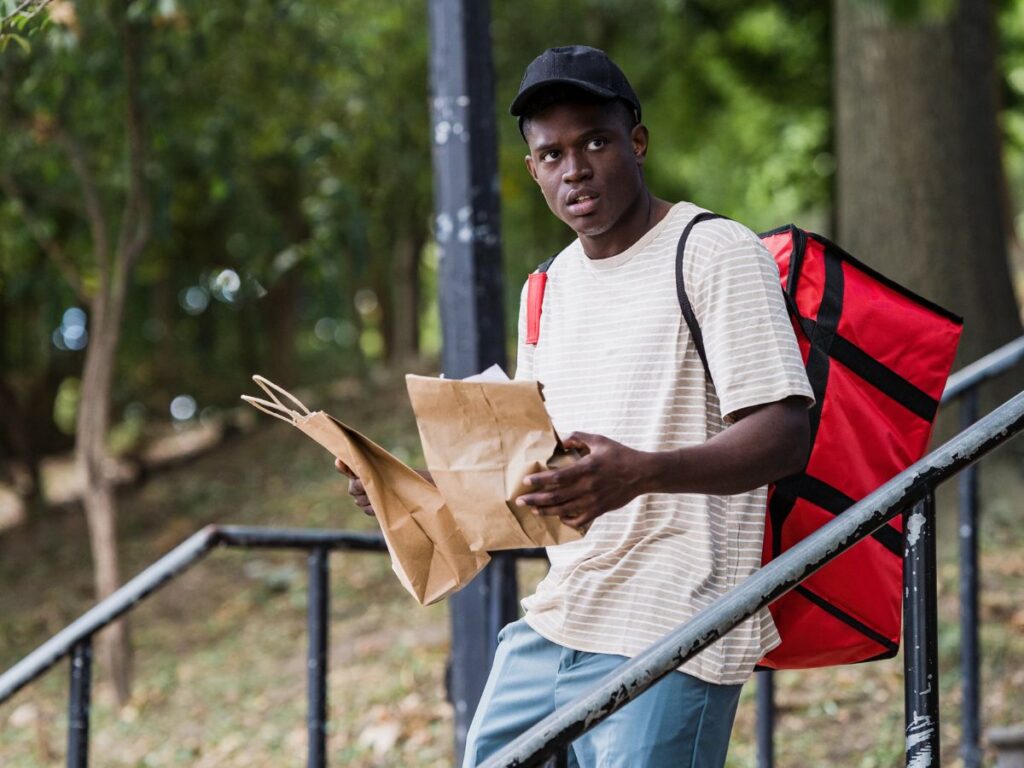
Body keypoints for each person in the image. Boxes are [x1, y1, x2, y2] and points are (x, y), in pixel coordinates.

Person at [340, 45, 814, 768]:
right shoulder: (549, 288)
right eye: (552, 153)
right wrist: (411, 495)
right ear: (532, 170)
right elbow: (539, 488)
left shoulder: (713, 252)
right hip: (558, 621)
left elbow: (785, 434)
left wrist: (645, 472)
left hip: (676, 624)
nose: (576, 169)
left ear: (638, 141)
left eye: (595, 140)